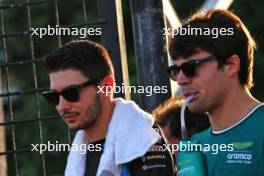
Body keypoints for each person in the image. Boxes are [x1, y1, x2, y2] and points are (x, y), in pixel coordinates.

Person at [42, 40, 175, 176]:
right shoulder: (78, 158)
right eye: (54, 96)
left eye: (71, 93)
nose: (62, 106)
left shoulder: (146, 142)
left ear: (106, 87)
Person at [167, 9, 264, 176]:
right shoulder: (194, 147)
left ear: (230, 65)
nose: (181, 80)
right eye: (175, 71)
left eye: (190, 67)